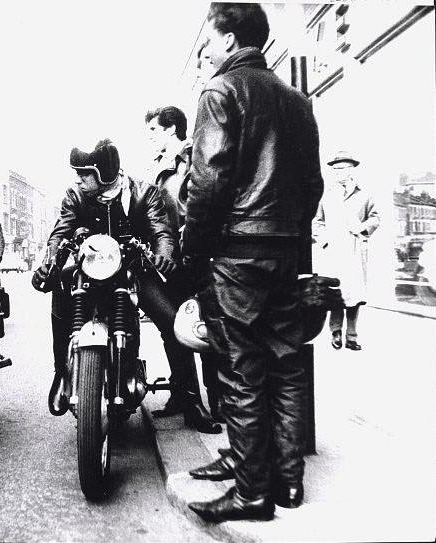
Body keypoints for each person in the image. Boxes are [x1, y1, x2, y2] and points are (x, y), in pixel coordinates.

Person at [183, 3, 324, 522]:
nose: (205, 48)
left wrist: (196, 247)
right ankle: (288, 484)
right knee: (287, 365)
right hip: (286, 250)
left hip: (238, 252)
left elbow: (210, 182)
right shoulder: (298, 101)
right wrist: (286, 229)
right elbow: (313, 186)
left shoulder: (220, 92)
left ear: (229, 39)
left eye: (209, 38)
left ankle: (251, 494)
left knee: (242, 372)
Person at [31, 139, 218, 433]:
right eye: (78, 173)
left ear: (103, 173)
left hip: (134, 270)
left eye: (85, 173)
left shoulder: (144, 194)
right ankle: (62, 374)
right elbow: (60, 232)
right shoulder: (75, 197)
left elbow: (162, 232)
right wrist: (50, 262)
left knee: (173, 322)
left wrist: (164, 256)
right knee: (60, 288)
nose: (79, 179)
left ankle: (190, 399)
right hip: (91, 269)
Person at [144, 105, 223, 430]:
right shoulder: (160, 165)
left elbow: (198, 205)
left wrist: (190, 248)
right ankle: (183, 396)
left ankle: (216, 403)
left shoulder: (191, 156)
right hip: (170, 261)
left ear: (171, 129)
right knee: (172, 329)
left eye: (153, 131)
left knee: (206, 329)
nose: (149, 137)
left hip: (196, 258)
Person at [313, 151, 379, 351]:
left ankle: (352, 336)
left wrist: (362, 228)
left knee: (354, 296)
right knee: (336, 293)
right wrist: (325, 241)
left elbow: (375, 218)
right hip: (334, 252)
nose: (337, 172)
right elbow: (317, 222)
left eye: (341, 168)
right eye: (334, 168)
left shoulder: (364, 194)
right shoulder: (326, 194)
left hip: (355, 250)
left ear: (351, 169)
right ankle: (335, 333)